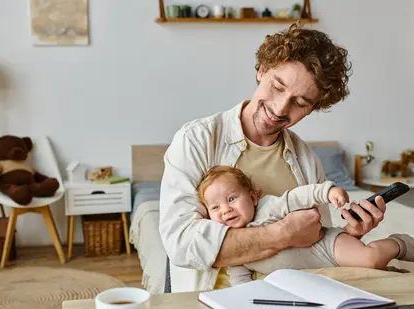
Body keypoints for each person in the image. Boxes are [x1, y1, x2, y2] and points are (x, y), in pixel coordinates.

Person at [159, 24, 387, 292]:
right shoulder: (196, 141)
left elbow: (313, 244)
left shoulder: (307, 161)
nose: (280, 109)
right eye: (277, 87)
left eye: (300, 103)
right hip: (212, 306)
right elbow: (182, 244)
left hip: (294, 303)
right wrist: (283, 234)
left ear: (313, 109)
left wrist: (348, 237)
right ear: (262, 70)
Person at [196, 165, 414, 285]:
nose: (225, 210)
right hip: (314, 277)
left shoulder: (268, 207)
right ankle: (392, 268)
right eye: (215, 208)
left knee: (369, 260)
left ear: (253, 197)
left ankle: (398, 244)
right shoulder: (231, 246)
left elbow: (298, 196)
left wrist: (328, 191)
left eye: (231, 199)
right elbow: (241, 282)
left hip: (328, 245)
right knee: (364, 278)